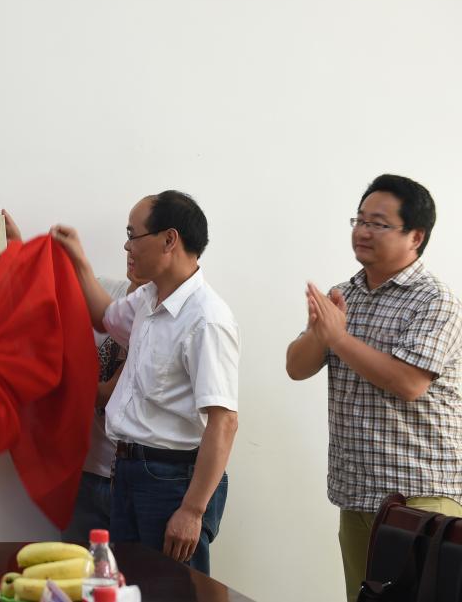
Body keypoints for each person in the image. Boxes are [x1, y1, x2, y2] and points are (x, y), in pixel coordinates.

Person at [285, 174, 462, 602]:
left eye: (378, 223)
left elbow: (408, 382)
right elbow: (296, 367)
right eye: (359, 220)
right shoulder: (344, 294)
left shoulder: (435, 301)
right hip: (358, 494)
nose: (363, 231)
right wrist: (321, 333)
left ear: (415, 236)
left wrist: (339, 337)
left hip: (420, 497)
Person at [50, 190, 239, 574]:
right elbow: (105, 317)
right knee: (131, 586)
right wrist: (77, 259)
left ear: (169, 240)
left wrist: (192, 510)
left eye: (133, 235)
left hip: (171, 480)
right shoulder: (148, 299)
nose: (127, 246)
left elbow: (224, 422)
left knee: (171, 589)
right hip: (128, 472)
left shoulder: (206, 318)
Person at [61, 276, 141, 543]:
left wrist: (54, 384)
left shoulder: (166, 313)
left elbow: (110, 394)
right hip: (86, 473)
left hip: (138, 479)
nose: (130, 254)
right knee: (78, 566)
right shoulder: (100, 290)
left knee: (137, 567)